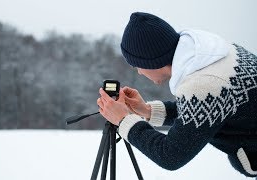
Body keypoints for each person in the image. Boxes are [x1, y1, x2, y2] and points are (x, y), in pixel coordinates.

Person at [97, 12, 257, 178]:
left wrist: (124, 120)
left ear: (150, 61)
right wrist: (147, 110)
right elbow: (205, 112)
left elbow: (170, 155)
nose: (139, 72)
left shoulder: (205, 83)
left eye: (136, 65)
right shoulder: (216, 54)